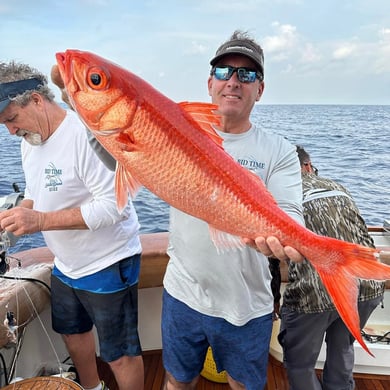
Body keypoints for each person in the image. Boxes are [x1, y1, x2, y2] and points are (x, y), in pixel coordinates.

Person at [161, 30, 304, 390]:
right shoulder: (180, 130)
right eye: (224, 71)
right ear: (210, 83)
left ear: (260, 89)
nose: (234, 81)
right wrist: (77, 98)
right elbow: (122, 149)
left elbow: (290, 214)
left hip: (247, 305)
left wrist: (284, 240)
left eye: (248, 74)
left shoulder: (278, 151)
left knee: (243, 385)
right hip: (182, 294)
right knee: (177, 382)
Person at [0, 62, 144, 390]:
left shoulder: (85, 134)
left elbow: (115, 208)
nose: (10, 131)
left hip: (109, 261)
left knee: (120, 354)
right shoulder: (29, 143)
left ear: (36, 100)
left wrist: (40, 221)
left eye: (11, 119)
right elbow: (36, 195)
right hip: (66, 264)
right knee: (72, 333)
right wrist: (15, 217)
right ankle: (93, 388)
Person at [276, 145, 385, 390]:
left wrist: (274, 300)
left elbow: (274, 258)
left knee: (300, 363)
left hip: (313, 292)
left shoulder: (282, 197)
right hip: (365, 285)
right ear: (307, 166)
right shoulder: (339, 188)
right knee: (342, 346)